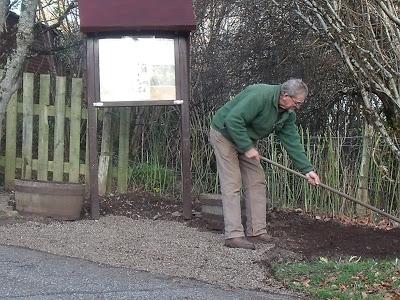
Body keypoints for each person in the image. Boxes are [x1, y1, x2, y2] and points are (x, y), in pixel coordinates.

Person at [209, 79, 320, 250]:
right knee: (232, 182)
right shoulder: (259, 95)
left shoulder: (287, 113)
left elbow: (292, 141)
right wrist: (247, 147)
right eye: (296, 103)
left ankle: (256, 231)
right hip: (224, 134)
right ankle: (233, 235)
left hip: (245, 139)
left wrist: (307, 170)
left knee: (257, 180)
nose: (297, 107)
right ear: (285, 95)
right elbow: (233, 120)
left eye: (300, 104)